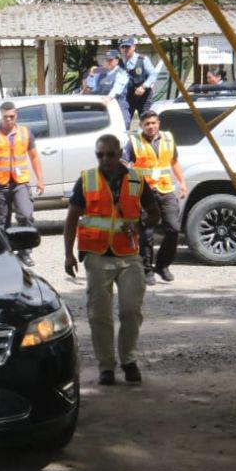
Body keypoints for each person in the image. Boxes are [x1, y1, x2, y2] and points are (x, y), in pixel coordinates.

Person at [63, 134, 160, 386]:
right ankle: (106, 366)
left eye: (110, 154)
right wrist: (68, 254)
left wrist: (139, 226)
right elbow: (72, 218)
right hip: (96, 257)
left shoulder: (137, 179)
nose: (104, 159)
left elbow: (155, 213)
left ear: (119, 154)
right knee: (99, 315)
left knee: (130, 311)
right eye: (100, 154)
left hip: (129, 256)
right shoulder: (87, 180)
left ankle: (128, 360)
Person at [125, 109, 188, 285]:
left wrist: (182, 183)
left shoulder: (168, 138)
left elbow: (174, 161)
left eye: (154, 123)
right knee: (147, 233)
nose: (151, 127)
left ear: (158, 123)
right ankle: (146, 270)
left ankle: (162, 265)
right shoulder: (134, 142)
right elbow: (123, 163)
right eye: (147, 124)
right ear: (141, 126)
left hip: (165, 189)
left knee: (173, 229)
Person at [0, 101, 45, 266]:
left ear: (16, 115)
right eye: (5, 117)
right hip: (0, 183)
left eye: (12, 116)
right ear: (1, 116)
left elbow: (34, 157)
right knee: (2, 220)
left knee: (26, 214)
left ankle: (25, 251)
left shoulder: (25, 133)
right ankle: (5, 252)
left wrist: (40, 179)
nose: (9, 119)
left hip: (20, 182)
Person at [119, 37, 158, 122]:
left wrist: (143, 87)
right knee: (124, 121)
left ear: (133, 47)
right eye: (123, 47)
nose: (125, 49)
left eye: (128, 47)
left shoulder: (143, 59)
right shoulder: (119, 62)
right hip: (128, 97)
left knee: (146, 120)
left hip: (144, 96)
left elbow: (153, 74)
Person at [94, 49, 130, 128]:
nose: (108, 62)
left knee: (122, 130)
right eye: (106, 60)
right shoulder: (101, 73)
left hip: (118, 108)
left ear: (117, 60)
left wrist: (109, 98)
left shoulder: (122, 74)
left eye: (110, 60)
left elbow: (117, 88)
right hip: (103, 108)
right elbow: (94, 89)